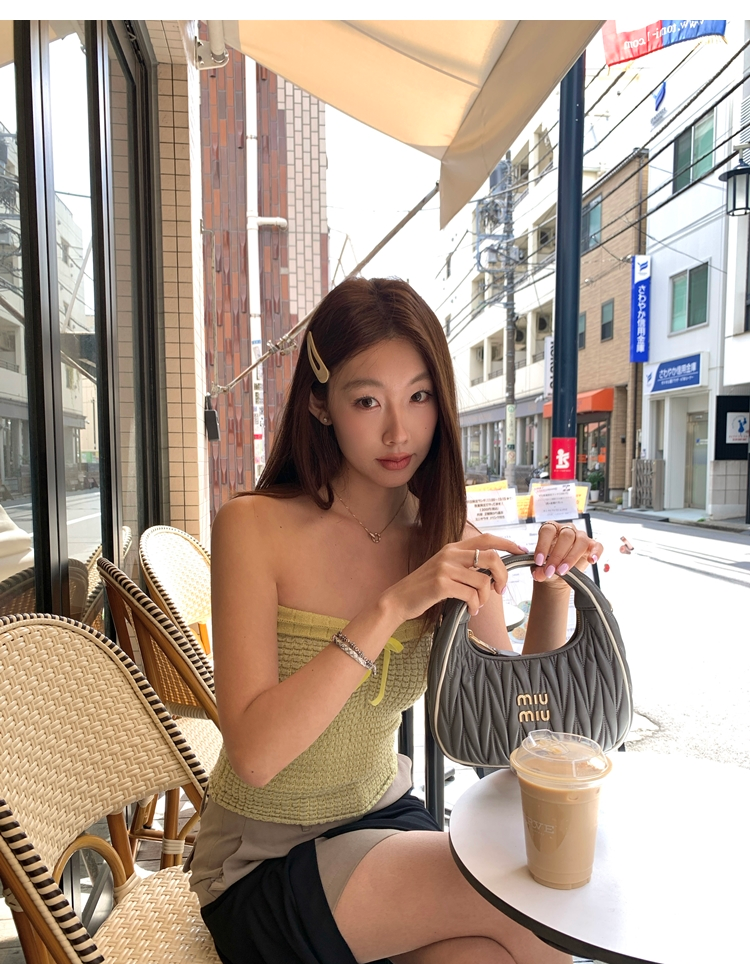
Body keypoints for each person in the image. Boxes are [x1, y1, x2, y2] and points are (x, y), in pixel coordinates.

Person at [187, 278, 602, 964]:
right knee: (531, 911)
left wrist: (554, 585)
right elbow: (255, 757)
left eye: (419, 396)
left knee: (495, 956)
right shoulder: (253, 526)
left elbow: (511, 732)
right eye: (366, 401)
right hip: (262, 860)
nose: (398, 431)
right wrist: (390, 607)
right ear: (319, 403)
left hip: (382, 820)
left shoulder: (446, 535)